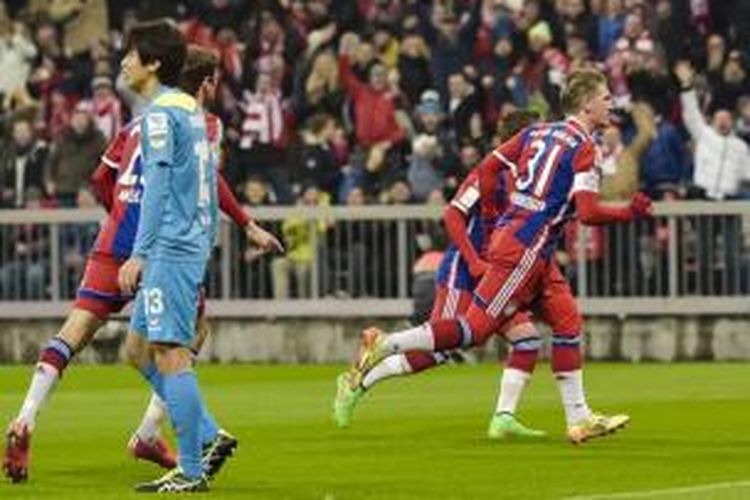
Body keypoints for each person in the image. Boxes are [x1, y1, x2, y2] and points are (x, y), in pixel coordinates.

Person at [2, 40, 282, 485]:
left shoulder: (137, 123)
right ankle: (191, 444)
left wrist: (119, 213)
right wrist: (244, 223)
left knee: (91, 338)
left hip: (117, 243)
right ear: (206, 83)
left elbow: (101, 177)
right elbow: (203, 180)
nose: (125, 65)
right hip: (159, 248)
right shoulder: (200, 123)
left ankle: (27, 418)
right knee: (180, 343)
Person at [346, 69, 653, 443]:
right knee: (472, 330)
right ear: (586, 103)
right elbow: (588, 213)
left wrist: (497, 215)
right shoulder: (585, 146)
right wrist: (629, 212)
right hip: (526, 246)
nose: (611, 103)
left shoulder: (536, 133)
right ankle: (386, 343)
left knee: (567, 320)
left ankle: (578, 417)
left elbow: (488, 167)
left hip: (525, 245)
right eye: (605, 97)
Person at [115, 20, 222, 492]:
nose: (124, 61)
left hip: (170, 248)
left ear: (154, 63)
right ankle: (210, 435)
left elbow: (156, 183)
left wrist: (139, 252)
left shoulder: (160, 114)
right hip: (187, 242)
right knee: (137, 351)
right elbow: (209, 185)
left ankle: (193, 469)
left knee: (170, 353)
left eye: (131, 53)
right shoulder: (190, 109)